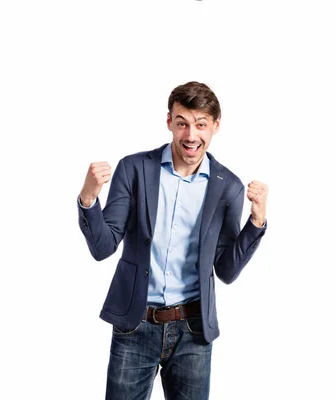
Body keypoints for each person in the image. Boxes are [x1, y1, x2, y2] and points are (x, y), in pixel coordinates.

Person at [77, 81, 268, 400]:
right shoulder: (134, 169)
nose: (191, 135)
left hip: (193, 331)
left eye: (201, 124)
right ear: (169, 122)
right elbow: (103, 246)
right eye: (182, 123)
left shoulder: (228, 187)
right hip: (135, 323)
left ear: (215, 126)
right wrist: (88, 198)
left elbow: (226, 270)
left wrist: (257, 221)